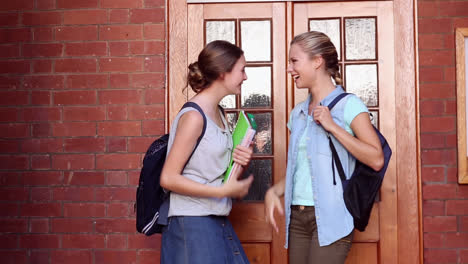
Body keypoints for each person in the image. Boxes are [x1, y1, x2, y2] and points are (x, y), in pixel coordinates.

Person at [264, 31, 384, 264]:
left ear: (317, 61)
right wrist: (274, 191)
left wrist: (332, 127)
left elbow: (376, 158)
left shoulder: (349, 106)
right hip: (297, 217)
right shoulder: (297, 114)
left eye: (294, 61)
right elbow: (305, 170)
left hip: (332, 217)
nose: (289, 68)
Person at [160, 40, 254, 264]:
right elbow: (168, 178)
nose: (245, 76)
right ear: (223, 73)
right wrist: (221, 192)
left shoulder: (220, 113)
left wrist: (240, 162)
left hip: (215, 219)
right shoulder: (194, 117)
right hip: (191, 223)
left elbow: (215, 174)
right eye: (242, 69)